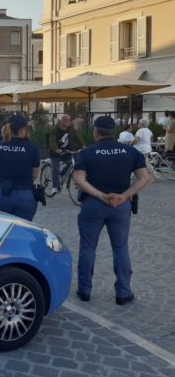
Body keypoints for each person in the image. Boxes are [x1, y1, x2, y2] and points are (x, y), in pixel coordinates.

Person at [73, 116, 151, 305]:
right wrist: (125, 195)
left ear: (96, 133)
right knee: (121, 247)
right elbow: (144, 177)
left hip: (93, 204)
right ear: (114, 132)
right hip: (120, 205)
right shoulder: (131, 152)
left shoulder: (86, 153)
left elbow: (79, 180)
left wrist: (100, 195)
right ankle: (123, 292)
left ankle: (84, 290)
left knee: (88, 247)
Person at [0, 115, 40, 221]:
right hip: (25, 194)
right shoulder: (32, 148)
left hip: (4, 193)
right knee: (24, 227)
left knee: (3, 226)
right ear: (23, 129)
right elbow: (35, 174)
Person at [48, 114, 83, 194]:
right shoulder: (55, 130)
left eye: (69, 120)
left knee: (71, 164)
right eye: (65, 120)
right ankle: (55, 186)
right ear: (61, 121)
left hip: (66, 152)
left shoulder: (71, 129)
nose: (67, 121)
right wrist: (56, 149)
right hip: (56, 153)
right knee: (56, 169)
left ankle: (62, 174)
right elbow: (52, 140)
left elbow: (77, 138)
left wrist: (83, 145)